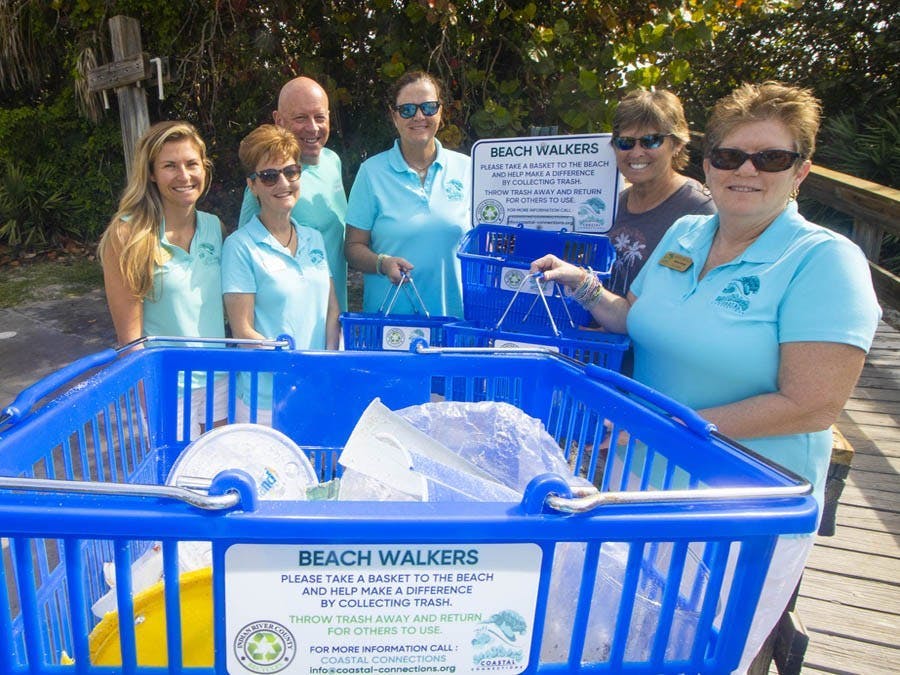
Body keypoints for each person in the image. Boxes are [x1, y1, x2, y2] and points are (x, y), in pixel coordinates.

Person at [531, 82, 881, 673]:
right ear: (710, 162)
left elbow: (812, 404)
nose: (746, 170)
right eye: (729, 156)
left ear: (802, 170)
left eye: (770, 157)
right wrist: (583, 284)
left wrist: (669, 428)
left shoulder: (824, 260)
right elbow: (635, 317)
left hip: (739, 498)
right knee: (622, 638)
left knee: (696, 653)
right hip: (639, 476)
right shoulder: (689, 233)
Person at [97, 120, 227, 438]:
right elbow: (130, 341)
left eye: (191, 164)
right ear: (152, 173)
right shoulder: (128, 233)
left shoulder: (215, 227)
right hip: (168, 385)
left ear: (204, 168)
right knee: (179, 483)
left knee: (219, 470)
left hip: (221, 379)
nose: (184, 176)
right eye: (170, 166)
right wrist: (149, 396)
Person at [223, 124, 340, 423]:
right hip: (264, 399)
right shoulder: (240, 246)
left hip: (314, 386)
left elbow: (330, 309)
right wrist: (292, 367)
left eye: (291, 171)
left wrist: (324, 367)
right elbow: (243, 331)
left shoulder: (314, 238)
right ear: (253, 185)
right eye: (269, 176)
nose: (283, 182)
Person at [344, 70, 471, 318]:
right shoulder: (371, 172)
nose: (419, 116)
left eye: (429, 107)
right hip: (392, 323)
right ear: (394, 116)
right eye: (407, 110)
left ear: (441, 111)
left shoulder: (469, 169)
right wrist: (382, 263)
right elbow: (353, 247)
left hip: (456, 320)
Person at [238, 76, 349, 311]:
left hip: (334, 319)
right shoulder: (270, 180)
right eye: (300, 118)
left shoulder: (332, 162)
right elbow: (244, 259)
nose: (313, 127)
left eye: (320, 117)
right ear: (278, 120)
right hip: (288, 321)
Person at [605, 88, 715, 297]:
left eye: (651, 141)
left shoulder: (698, 209)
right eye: (625, 142)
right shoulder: (613, 205)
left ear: (677, 144)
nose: (636, 152)